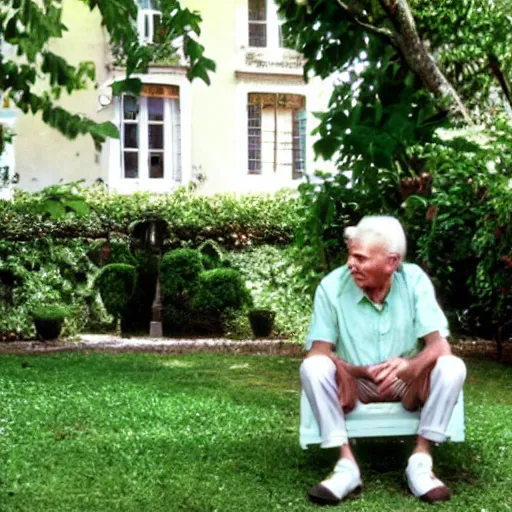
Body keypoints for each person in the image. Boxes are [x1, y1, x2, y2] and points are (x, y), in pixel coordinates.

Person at [300, 215, 466, 505]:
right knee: (313, 367)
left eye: (360, 258)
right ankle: (346, 465)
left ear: (391, 262)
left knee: (453, 366)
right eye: (350, 255)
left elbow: (440, 347)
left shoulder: (413, 280)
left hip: (407, 385)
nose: (351, 264)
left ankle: (421, 460)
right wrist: (351, 370)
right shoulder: (331, 286)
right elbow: (318, 351)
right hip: (354, 383)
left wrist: (411, 368)